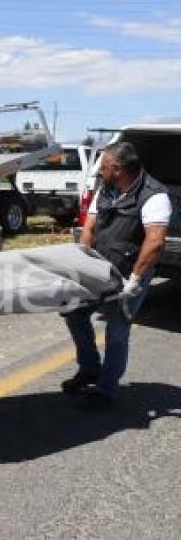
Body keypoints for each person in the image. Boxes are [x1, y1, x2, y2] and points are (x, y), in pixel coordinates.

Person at [61, 141, 172, 410]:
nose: (99, 170)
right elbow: (89, 227)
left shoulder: (155, 195)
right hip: (99, 269)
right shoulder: (106, 189)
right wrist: (81, 265)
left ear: (117, 168)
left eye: (103, 165)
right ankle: (89, 369)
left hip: (129, 274)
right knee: (73, 313)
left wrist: (133, 282)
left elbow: (155, 241)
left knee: (117, 329)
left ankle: (106, 390)